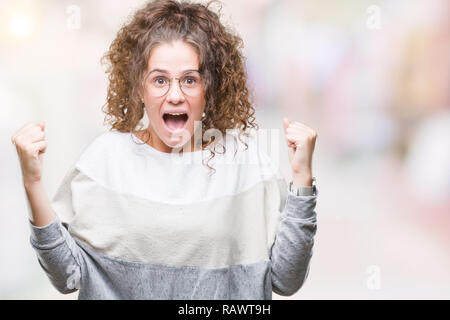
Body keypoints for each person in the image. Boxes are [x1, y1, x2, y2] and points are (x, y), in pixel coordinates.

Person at [11, 0, 318, 300]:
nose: (175, 95)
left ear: (210, 87)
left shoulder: (247, 163)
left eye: (189, 79)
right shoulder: (106, 159)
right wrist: (31, 183)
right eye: (159, 80)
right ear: (139, 88)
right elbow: (67, 276)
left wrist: (302, 177)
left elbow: (286, 280)